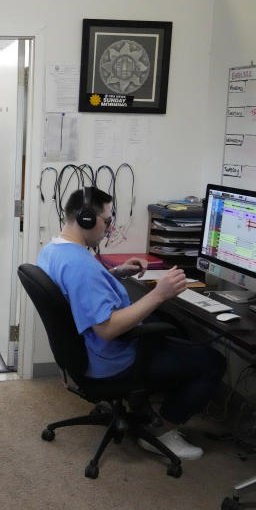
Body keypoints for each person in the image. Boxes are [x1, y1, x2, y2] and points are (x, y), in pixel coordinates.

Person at [36, 187, 226, 460]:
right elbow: (108, 328)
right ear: (86, 219)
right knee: (211, 361)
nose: (109, 228)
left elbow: (77, 294)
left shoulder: (55, 251)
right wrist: (159, 294)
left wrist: (113, 274)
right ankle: (162, 431)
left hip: (84, 353)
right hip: (111, 359)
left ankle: (141, 405)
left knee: (172, 331)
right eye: (107, 220)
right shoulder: (80, 266)